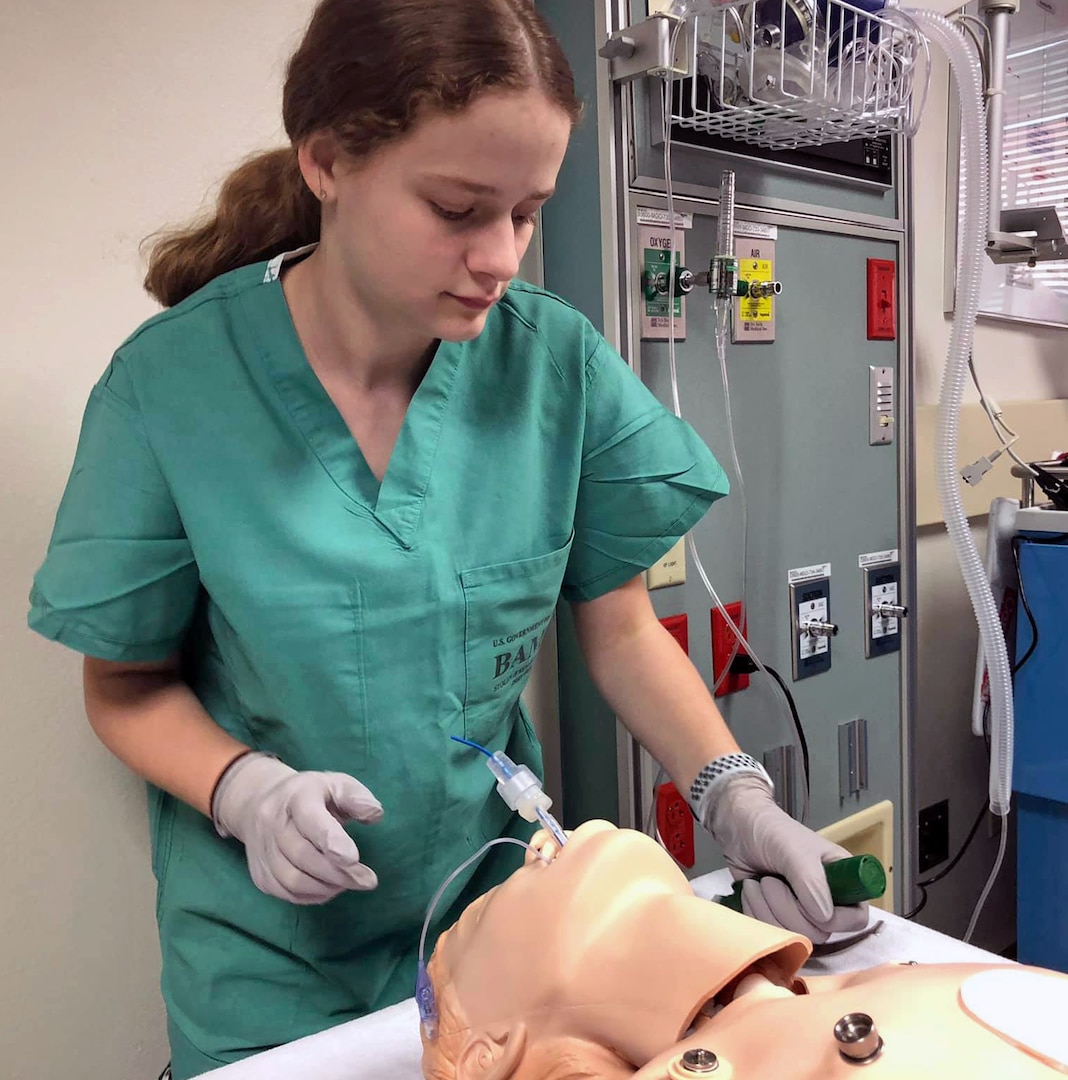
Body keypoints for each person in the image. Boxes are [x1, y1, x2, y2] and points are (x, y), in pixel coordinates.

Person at [28, 1, 861, 1075]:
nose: (503, 255)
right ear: (326, 161)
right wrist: (245, 790)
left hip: (500, 931)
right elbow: (125, 685)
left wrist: (734, 796)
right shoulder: (171, 390)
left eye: (527, 211)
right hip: (269, 972)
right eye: (460, 208)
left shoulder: (549, 364)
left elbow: (616, 630)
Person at [421, 821, 1068, 1080]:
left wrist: (734, 790)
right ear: (493, 1051)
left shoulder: (866, 984)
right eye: (485, 909)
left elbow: (621, 626)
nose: (538, 842)